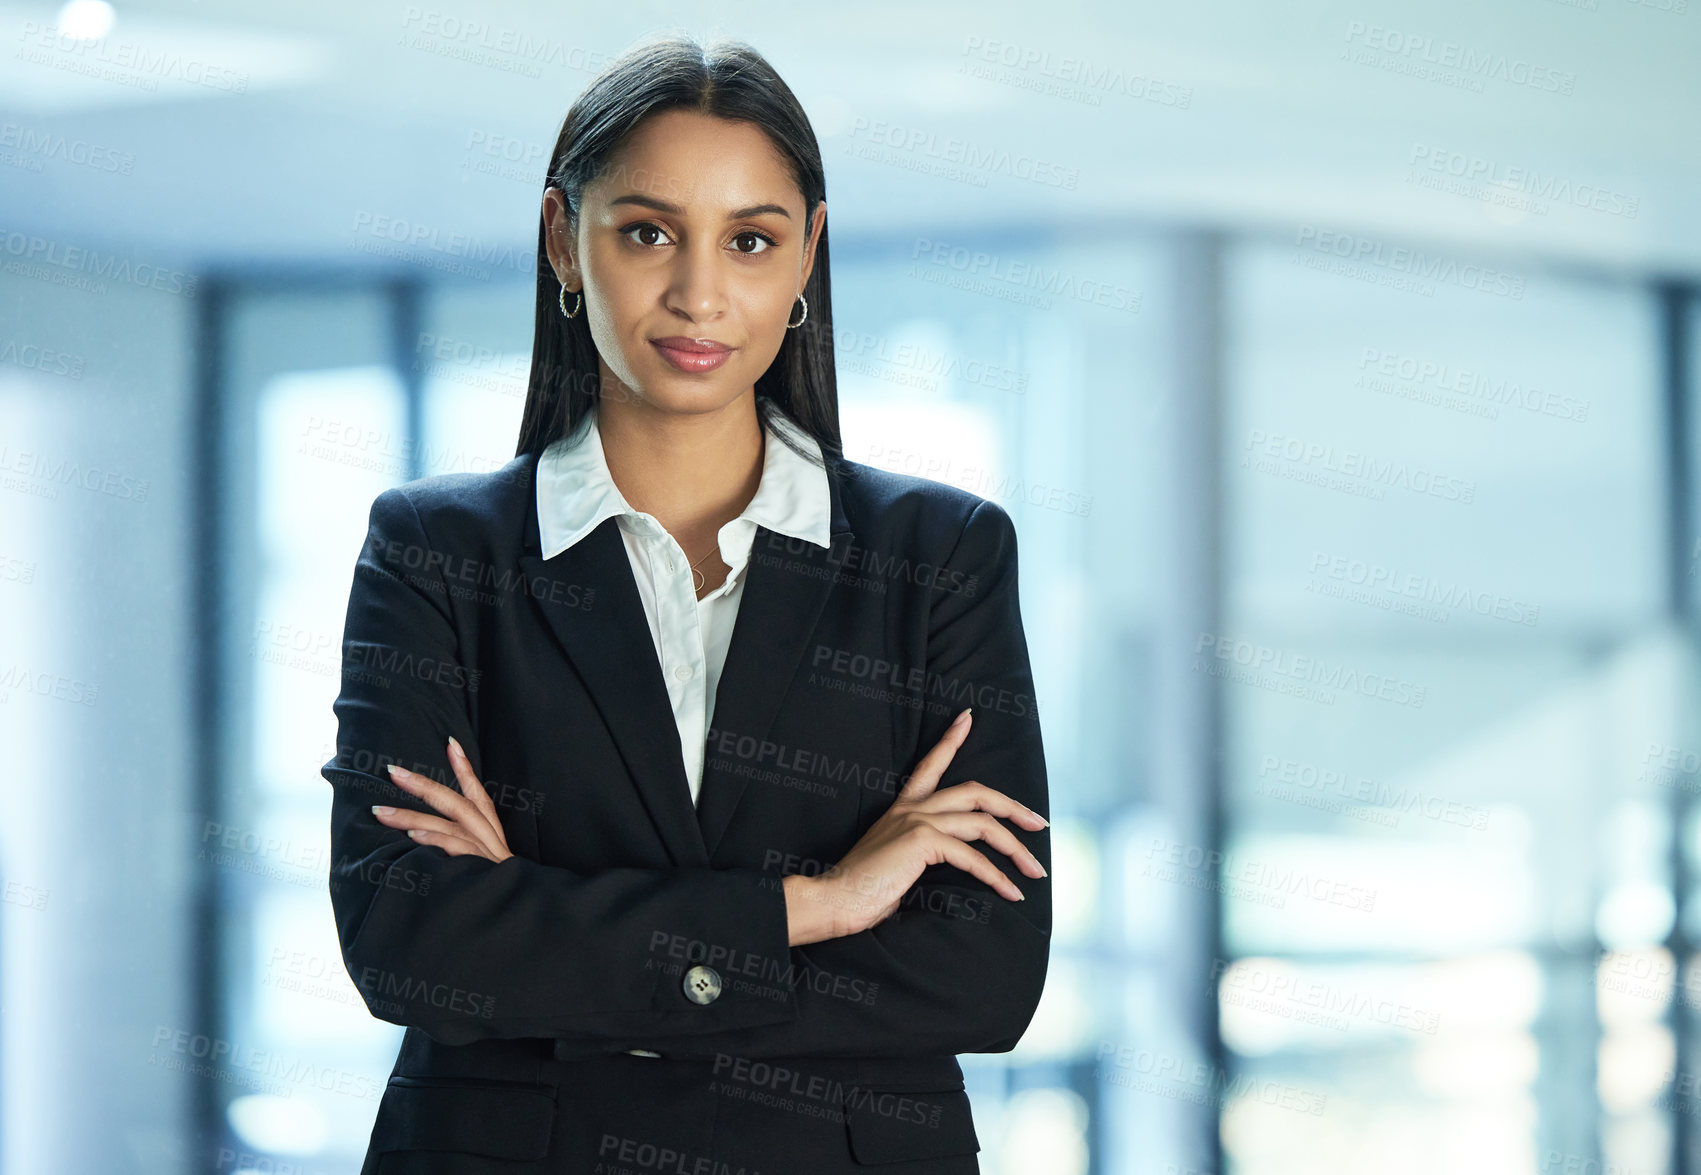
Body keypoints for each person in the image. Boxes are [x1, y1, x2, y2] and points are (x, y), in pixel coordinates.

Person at [323, 32, 1051, 1174]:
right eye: (647, 232)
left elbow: (982, 973)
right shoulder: (434, 550)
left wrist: (552, 935)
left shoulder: (942, 557)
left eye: (751, 240)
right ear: (565, 239)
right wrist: (822, 903)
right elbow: (410, 944)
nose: (699, 293)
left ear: (807, 254)